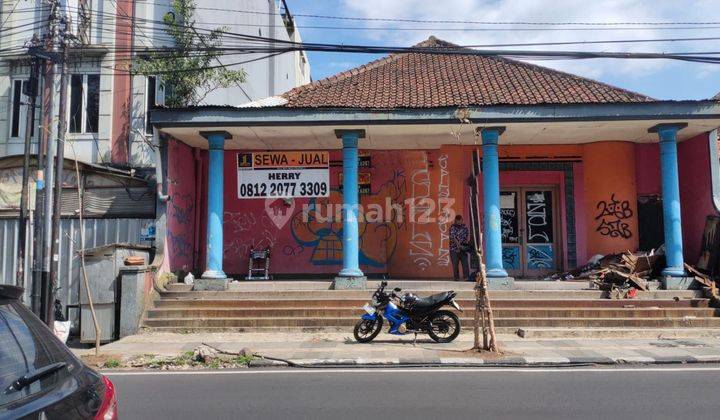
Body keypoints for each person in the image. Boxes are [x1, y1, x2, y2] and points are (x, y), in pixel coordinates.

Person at [449, 214, 471, 281]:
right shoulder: (452, 227)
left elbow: (466, 237)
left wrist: (464, 246)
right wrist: (458, 246)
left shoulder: (465, 228)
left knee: (465, 264)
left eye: (460, 221)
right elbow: (453, 238)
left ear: (462, 220)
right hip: (454, 249)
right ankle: (456, 278)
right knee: (455, 265)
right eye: (457, 221)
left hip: (463, 249)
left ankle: (466, 277)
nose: (458, 222)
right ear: (455, 221)